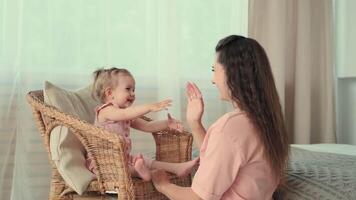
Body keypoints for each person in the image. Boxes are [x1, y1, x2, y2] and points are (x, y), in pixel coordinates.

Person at [151, 35, 289, 199]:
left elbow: (198, 197)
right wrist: (195, 123)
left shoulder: (229, 127)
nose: (213, 80)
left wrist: (163, 185)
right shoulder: (268, 121)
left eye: (214, 70)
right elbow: (219, 160)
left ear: (232, 72)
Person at [88, 67, 199, 181]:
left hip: (122, 159)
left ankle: (176, 168)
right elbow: (125, 114)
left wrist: (167, 123)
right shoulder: (106, 111)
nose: (132, 93)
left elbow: (148, 126)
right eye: (128, 89)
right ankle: (139, 172)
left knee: (145, 160)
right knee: (127, 167)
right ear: (110, 93)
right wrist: (150, 107)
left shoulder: (125, 115)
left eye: (133, 90)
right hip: (104, 164)